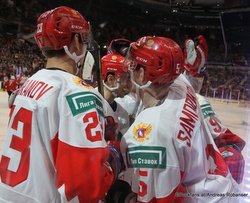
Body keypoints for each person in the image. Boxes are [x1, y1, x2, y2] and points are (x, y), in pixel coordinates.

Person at [0, 6, 119, 203]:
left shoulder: (29, 83)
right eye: (81, 37)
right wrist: (113, 160)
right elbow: (85, 185)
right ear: (74, 41)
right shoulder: (78, 93)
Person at [120, 36, 239, 202]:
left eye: (132, 64)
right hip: (222, 189)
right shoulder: (181, 83)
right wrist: (197, 71)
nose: (127, 67)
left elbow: (160, 198)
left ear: (141, 74)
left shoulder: (151, 132)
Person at [183, 35, 245, 184]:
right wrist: (194, 73)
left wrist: (193, 74)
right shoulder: (196, 100)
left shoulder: (191, 99)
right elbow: (227, 144)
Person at [101, 53, 131, 139]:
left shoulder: (123, 114)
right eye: (126, 78)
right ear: (111, 79)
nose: (129, 85)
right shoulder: (88, 102)